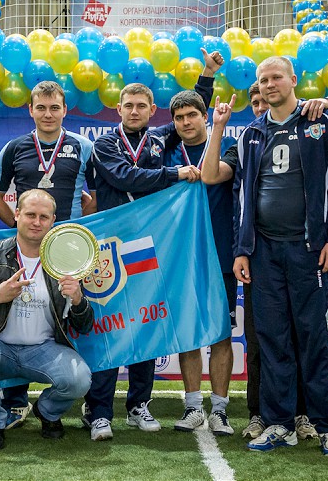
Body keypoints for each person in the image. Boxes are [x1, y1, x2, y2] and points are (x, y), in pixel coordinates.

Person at [201, 84, 328, 443]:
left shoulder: (317, 124)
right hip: (263, 255)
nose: (266, 94)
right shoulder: (250, 136)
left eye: (275, 80)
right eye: (260, 89)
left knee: (313, 339)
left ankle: (324, 424)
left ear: (292, 82)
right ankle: (275, 420)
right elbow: (228, 189)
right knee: (271, 341)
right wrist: (242, 250)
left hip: (307, 252)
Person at [83, 48, 223, 442]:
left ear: (151, 110)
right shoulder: (105, 145)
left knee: (146, 321)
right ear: (118, 109)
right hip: (111, 248)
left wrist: (207, 74)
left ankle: (138, 405)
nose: (134, 111)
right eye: (128, 105)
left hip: (149, 243)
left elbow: (193, 109)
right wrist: (175, 173)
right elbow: (125, 177)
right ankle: (99, 411)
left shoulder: (161, 137)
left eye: (141, 106)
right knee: (109, 326)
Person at [0, 80, 96, 429]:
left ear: (65, 110)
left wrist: (78, 230)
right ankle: (15, 402)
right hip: (25, 251)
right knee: (17, 317)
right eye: (41, 108)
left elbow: (96, 195)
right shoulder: (15, 147)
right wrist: (16, 225)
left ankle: (63, 402)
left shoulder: (83, 147)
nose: (48, 114)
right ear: (30, 110)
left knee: (71, 319)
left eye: (54, 108)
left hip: (69, 255)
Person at [0, 189, 94, 451]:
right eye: (30, 214)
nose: (36, 222)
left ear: (53, 221)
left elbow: (85, 325)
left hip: (44, 350)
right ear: (17, 214)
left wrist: (78, 300)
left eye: (44, 217)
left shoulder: (66, 260)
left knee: (80, 378)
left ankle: (47, 411)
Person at [163, 90, 236, 437]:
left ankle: (219, 410)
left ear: (205, 116)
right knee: (189, 333)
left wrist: (219, 128)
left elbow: (217, 175)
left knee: (221, 335)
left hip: (221, 254)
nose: (185, 122)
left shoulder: (230, 144)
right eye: (179, 118)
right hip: (181, 255)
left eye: (192, 115)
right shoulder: (166, 151)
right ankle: (193, 406)